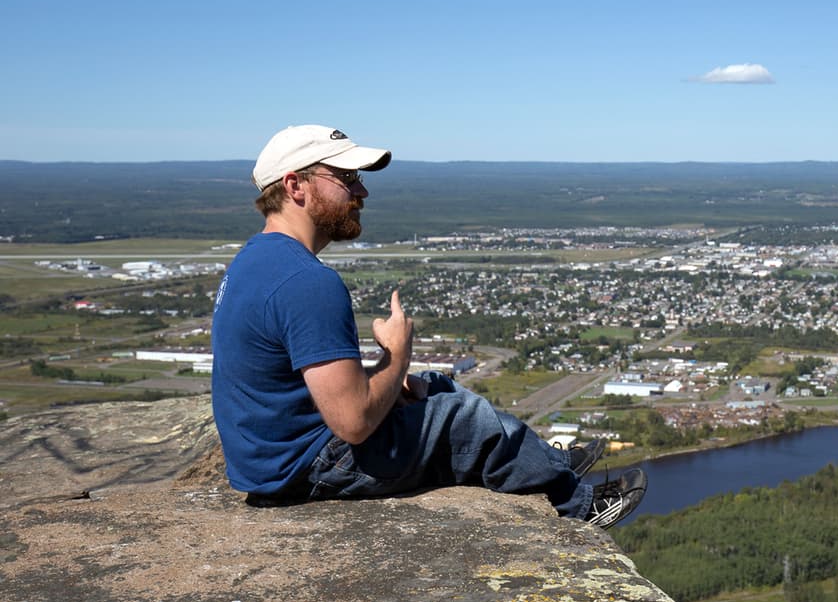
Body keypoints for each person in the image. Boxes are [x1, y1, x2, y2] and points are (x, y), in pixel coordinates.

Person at [211, 124, 646, 528]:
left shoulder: (253, 261)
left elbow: (295, 387)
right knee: (462, 417)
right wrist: (396, 356)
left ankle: (549, 464)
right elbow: (353, 423)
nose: (362, 190)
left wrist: (391, 379)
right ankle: (578, 507)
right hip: (309, 467)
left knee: (432, 386)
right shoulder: (306, 282)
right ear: (295, 186)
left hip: (270, 461)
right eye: (346, 178)